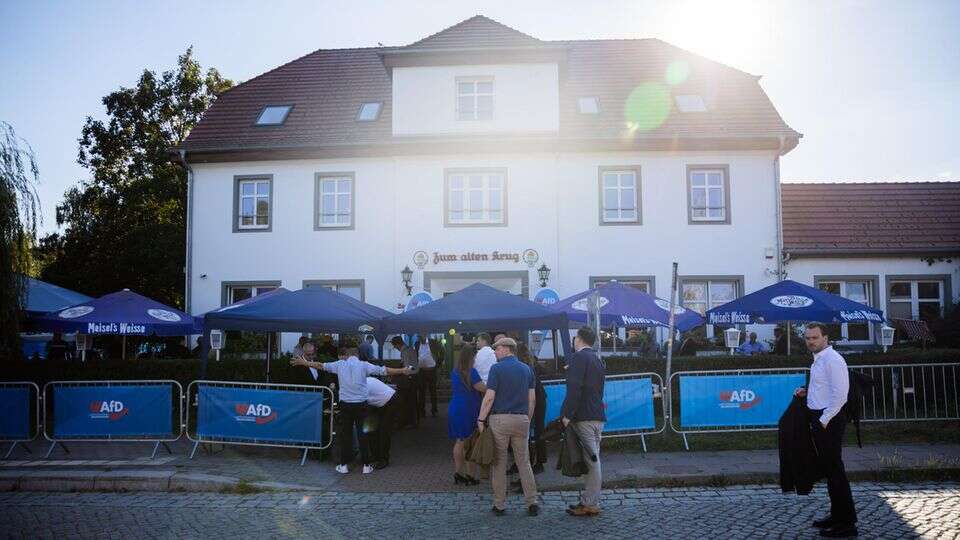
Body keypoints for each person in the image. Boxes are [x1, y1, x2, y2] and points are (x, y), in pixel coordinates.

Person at [291, 342, 411, 475]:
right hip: (361, 405)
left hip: (346, 405)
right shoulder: (364, 365)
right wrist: (402, 370)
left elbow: (320, 365)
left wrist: (305, 363)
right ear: (358, 355)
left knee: (345, 436)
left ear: (347, 355)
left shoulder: (339, 364)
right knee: (363, 435)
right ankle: (366, 466)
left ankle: (343, 466)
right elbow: (384, 370)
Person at [794, 322, 858, 538]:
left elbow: (841, 394)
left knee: (835, 471)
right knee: (830, 472)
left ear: (825, 338)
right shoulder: (819, 360)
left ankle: (847, 524)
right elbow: (824, 388)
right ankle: (837, 516)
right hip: (821, 418)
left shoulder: (833, 360)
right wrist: (807, 391)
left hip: (828, 421)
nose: (810, 341)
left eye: (814, 337)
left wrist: (824, 419)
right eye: (808, 338)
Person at [477, 337, 539, 516]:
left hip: (500, 420)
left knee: (499, 464)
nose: (495, 352)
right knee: (524, 462)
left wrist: (481, 419)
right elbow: (532, 399)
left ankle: (500, 504)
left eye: (497, 349)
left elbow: (489, 398)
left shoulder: (496, 369)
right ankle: (532, 502)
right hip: (522, 419)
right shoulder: (527, 369)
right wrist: (527, 418)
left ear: (506, 349)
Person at [562, 326, 606, 517]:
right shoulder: (596, 359)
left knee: (592, 460)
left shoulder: (579, 357)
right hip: (596, 414)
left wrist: (567, 414)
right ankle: (588, 500)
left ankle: (591, 503)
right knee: (592, 459)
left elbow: (575, 388)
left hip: (584, 416)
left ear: (578, 339)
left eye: (574, 338)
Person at [448, 345, 486, 486]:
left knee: (460, 441)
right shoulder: (472, 372)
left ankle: (458, 473)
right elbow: (481, 388)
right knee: (471, 443)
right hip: (468, 409)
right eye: (474, 356)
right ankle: (470, 475)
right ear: (471, 357)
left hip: (456, 407)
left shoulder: (455, 371)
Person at [518, 343, 547, 473]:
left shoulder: (525, 367)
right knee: (536, 431)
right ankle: (536, 462)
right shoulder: (530, 363)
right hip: (538, 399)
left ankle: (535, 462)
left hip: (534, 400)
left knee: (531, 432)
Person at [366, 376, 400, 469]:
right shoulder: (363, 382)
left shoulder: (364, 385)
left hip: (390, 401)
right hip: (376, 403)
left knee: (384, 430)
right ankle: (375, 456)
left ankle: (383, 459)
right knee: (370, 429)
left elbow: (359, 404)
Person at [390, 336, 420, 428]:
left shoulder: (405, 352)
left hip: (410, 378)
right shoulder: (410, 349)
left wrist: (396, 374)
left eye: (395, 346)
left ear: (398, 344)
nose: (396, 348)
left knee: (408, 401)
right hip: (414, 377)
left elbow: (406, 368)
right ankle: (413, 421)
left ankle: (410, 422)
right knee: (412, 400)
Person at [416, 335, 439, 418]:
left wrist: (437, 365)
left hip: (432, 370)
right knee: (421, 392)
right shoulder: (417, 343)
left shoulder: (433, 342)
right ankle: (422, 411)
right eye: (418, 336)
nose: (419, 338)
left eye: (420, 336)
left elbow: (441, 352)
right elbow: (416, 355)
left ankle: (434, 410)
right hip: (421, 371)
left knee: (433, 391)